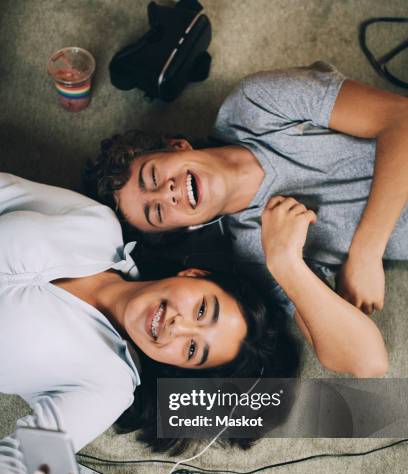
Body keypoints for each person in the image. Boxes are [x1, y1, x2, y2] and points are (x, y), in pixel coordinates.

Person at [0, 172, 298, 474]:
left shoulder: (109, 386)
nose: (180, 327)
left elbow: (18, 463)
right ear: (194, 274)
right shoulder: (97, 224)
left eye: (193, 350)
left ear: (180, 370)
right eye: (203, 309)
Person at [86, 61, 408, 377]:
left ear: (176, 146)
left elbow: (400, 118)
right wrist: (287, 264)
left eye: (152, 175)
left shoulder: (254, 105)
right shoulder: (256, 253)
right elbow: (367, 362)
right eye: (156, 212)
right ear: (183, 228)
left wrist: (367, 250)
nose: (166, 194)